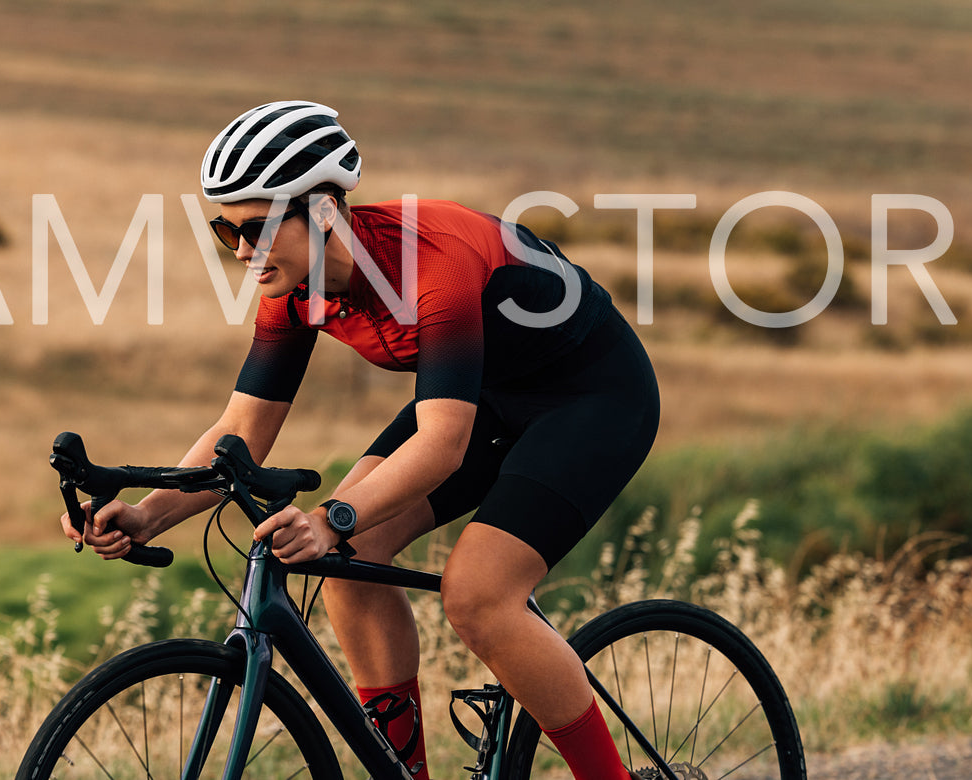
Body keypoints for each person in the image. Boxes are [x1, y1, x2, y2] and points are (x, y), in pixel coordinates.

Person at [62, 100, 660, 780]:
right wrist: (146, 512)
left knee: (478, 595)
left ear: (320, 212)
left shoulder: (430, 263)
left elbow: (442, 443)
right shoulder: (289, 287)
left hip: (590, 399)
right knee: (347, 567)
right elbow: (241, 430)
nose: (238, 249)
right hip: (486, 397)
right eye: (224, 228)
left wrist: (329, 518)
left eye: (255, 228)